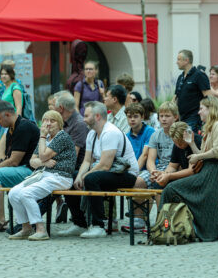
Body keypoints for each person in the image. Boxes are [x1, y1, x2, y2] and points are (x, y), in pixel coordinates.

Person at [160, 96, 218, 241]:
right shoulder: (210, 128)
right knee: (170, 189)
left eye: (201, 109)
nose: (199, 112)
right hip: (207, 172)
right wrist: (191, 144)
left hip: (212, 175)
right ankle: (167, 226)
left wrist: (198, 157)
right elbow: (202, 155)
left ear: (211, 109)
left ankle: (164, 227)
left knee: (170, 189)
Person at [73, 101, 139, 238]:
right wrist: (79, 176)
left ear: (97, 116)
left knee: (91, 178)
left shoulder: (110, 132)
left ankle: (99, 225)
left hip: (126, 174)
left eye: (86, 116)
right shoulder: (92, 134)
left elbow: (105, 165)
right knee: (71, 177)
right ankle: (80, 223)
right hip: (109, 172)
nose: (83, 119)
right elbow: (87, 161)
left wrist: (86, 176)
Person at [8, 111, 76, 241]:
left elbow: (43, 155)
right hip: (42, 174)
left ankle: (40, 229)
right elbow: (32, 162)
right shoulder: (45, 139)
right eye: (45, 120)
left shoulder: (62, 137)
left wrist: (42, 139)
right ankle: (26, 228)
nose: (48, 123)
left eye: (52, 120)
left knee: (26, 193)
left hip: (60, 176)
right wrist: (43, 162)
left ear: (60, 124)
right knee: (13, 193)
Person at [0, 101, 39, 232]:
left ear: (7, 114)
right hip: (20, 168)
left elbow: (14, 161)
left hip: (31, 171)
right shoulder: (12, 128)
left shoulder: (23, 127)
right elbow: (6, 157)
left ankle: (1, 220)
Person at [126, 101, 177, 231]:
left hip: (175, 169)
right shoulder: (156, 134)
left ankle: (162, 222)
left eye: (167, 116)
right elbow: (150, 159)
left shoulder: (178, 133)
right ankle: (139, 220)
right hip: (158, 168)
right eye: (161, 116)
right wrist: (153, 171)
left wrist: (163, 174)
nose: (163, 119)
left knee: (159, 183)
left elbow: (179, 161)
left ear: (175, 117)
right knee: (137, 181)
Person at [52, 91, 89, 223]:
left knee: (54, 179)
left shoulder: (78, 123)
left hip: (77, 167)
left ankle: (79, 221)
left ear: (61, 108)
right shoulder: (63, 122)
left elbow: (72, 155)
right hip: (63, 165)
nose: (52, 109)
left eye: (54, 106)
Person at [174, 49, 211, 133]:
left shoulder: (199, 75)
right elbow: (176, 97)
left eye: (179, 59)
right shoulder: (180, 77)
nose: (177, 62)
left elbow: (209, 97)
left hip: (194, 118)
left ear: (186, 60)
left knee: (190, 142)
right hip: (181, 118)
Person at [125, 103, 155, 170]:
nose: (132, 119)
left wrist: (133, 173)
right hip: (133, 169)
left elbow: (145, 155)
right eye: (129, 117)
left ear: (142, 117)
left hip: (147, 170)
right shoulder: (126, 136)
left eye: (135, 116)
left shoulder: (150, 131)